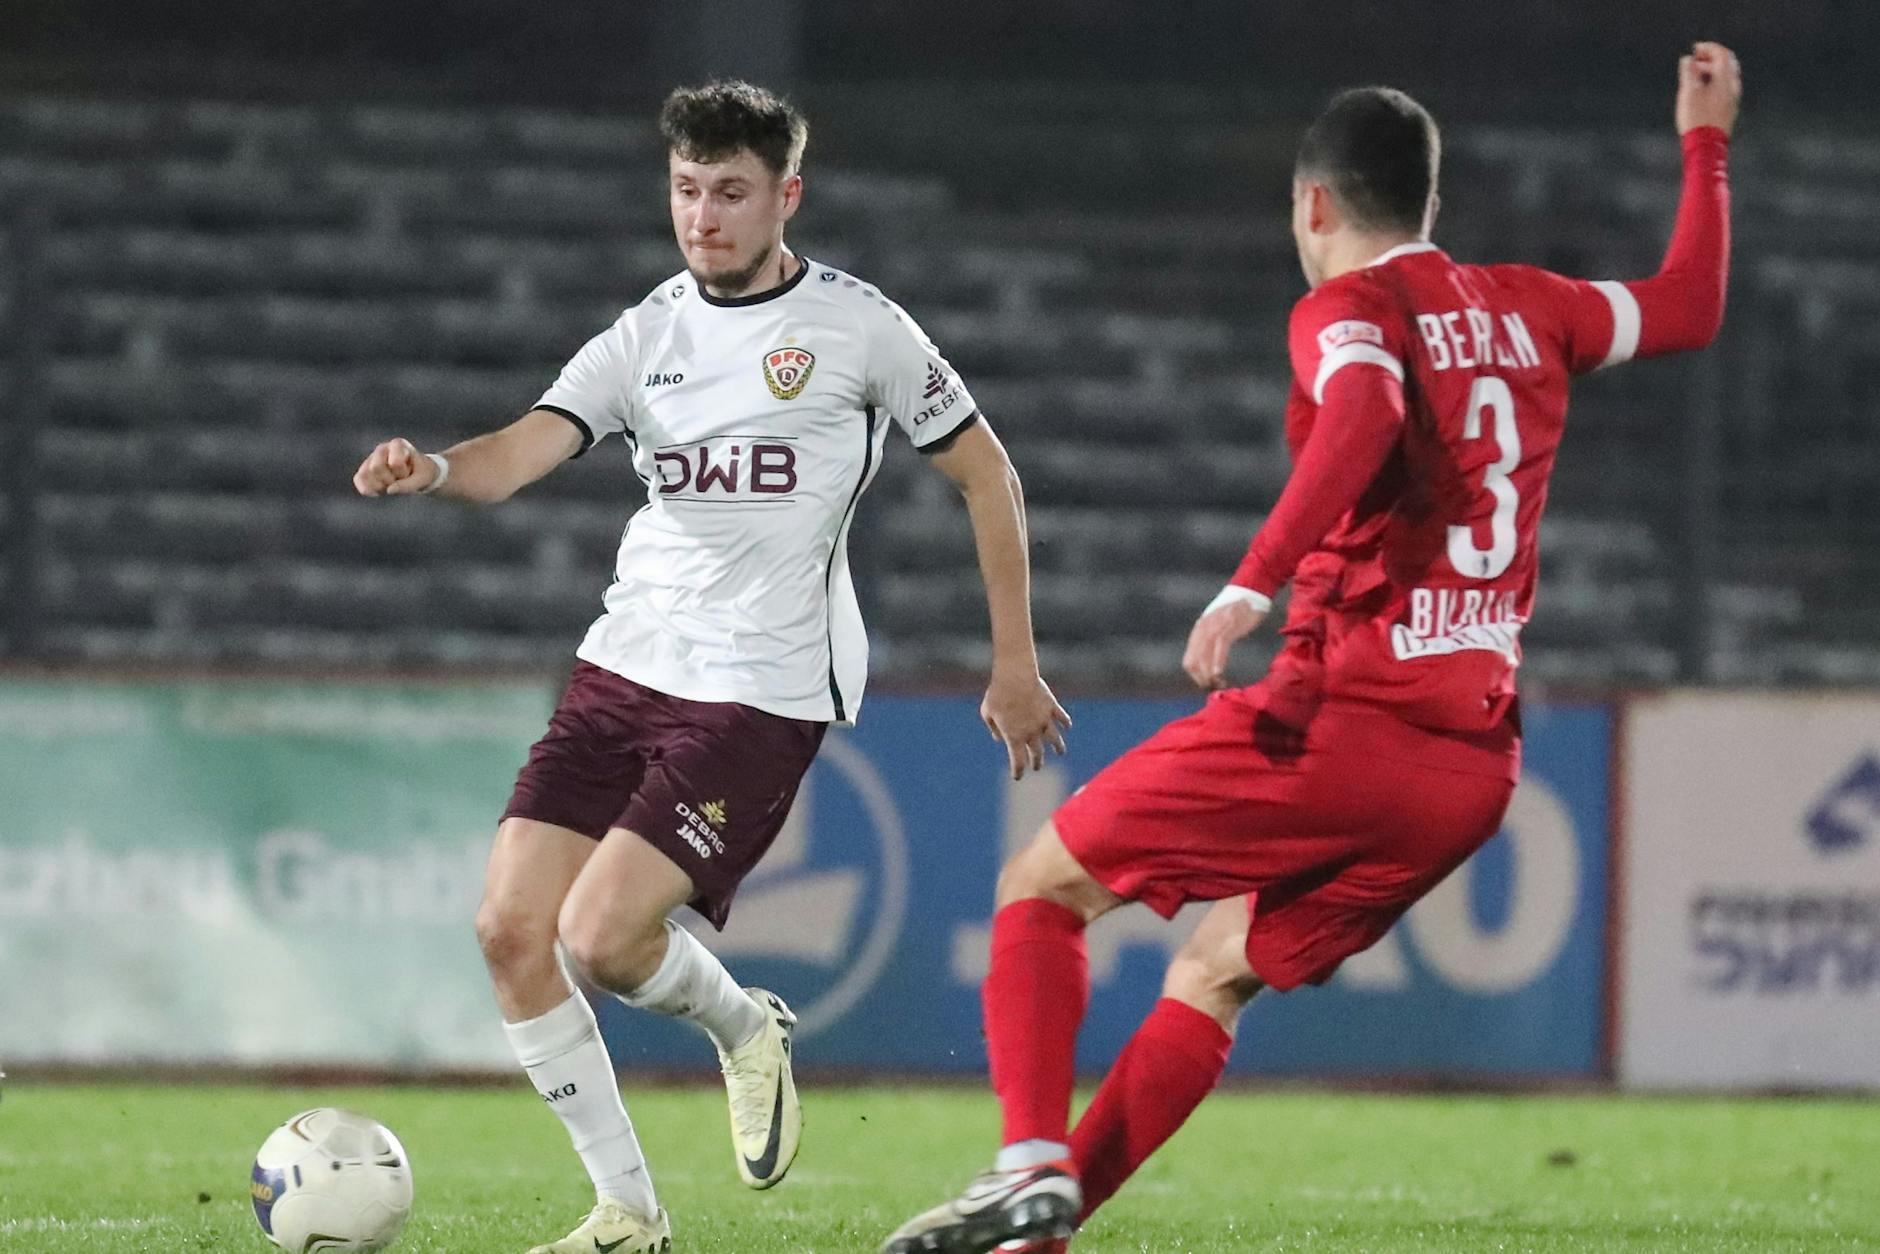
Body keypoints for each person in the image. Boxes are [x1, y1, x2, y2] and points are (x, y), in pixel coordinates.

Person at [882, 41, 1739, 1254]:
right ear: (1428, 201)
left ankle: (1026, 1160)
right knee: (1214, 968)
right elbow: (1687, 305)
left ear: (1314, 204)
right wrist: (1703, 144)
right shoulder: (1530, 303)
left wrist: (1249, 583)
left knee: (1042, 889)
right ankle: (1040, 1233)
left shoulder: (1348, 308)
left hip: (1342, 717)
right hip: (1470, 768)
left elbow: (1367, 410)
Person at [354, 80, 1070, 1254]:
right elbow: (519, 452)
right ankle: (627, 1215)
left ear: (785, 196)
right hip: (621, 663)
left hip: (759, 686)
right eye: (686, 190)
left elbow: (988, 474)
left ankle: (745, 1028)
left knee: (601, 938)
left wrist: (1012, 663)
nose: (703, 216)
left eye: (730, 192)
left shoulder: (857, 327)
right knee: (506, 931)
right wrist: (430, 468)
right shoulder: (648, 334)